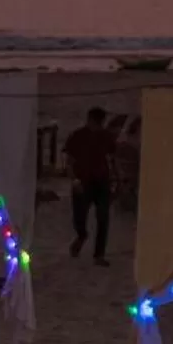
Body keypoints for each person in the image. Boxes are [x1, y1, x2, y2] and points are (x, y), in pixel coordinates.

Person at [64, 107, 115, 265]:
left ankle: (99, 254)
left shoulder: (106, 136)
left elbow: (112, 159)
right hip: (83, 180)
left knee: (103, 218)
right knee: (79, 216)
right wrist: (74, 180)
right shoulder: (78, 136)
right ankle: (81, 236)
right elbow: (69, 161)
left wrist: (116, 181)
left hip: (101, 180)